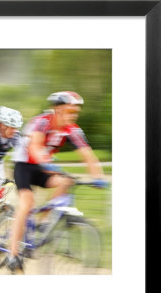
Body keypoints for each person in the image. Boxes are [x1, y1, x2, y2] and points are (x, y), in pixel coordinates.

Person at [8, 91, 108, 273]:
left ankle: (43, 222)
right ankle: (13, 254)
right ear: (58, 110)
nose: (74, 115)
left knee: (66, 182)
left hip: (43, 167)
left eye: (76, 111)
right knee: (27, 202)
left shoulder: (73, 130)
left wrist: (99, 177)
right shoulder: (42, 122)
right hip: (24, 165)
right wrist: (47, 162)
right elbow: (35, 146)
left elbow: (88, 155)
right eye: (71, 110)